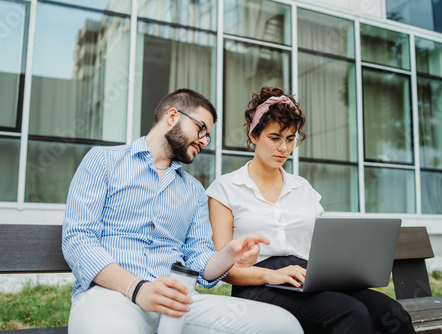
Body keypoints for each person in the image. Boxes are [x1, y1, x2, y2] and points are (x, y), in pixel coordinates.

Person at [62, 89, 303, 334]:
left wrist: (230, 254)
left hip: (180, 302)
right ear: (173, 116)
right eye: (201, 129)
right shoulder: (103, 161)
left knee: (283, 326)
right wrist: (138, 288)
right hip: (111, 296)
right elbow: (78, 241)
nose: (203, 141)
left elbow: (200, 259)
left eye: (207, 136)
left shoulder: (194, 191)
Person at [206, 86, 416, 334]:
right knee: (350, 313)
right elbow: (221, 269)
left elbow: (325, 246)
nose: (283, 148)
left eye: (290, 139)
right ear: (254, 135)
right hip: (258, 285)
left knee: (393, 314)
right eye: (274, 138)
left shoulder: (302, 188)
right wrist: (271, 275)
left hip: (305, 278)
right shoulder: (226, 188)